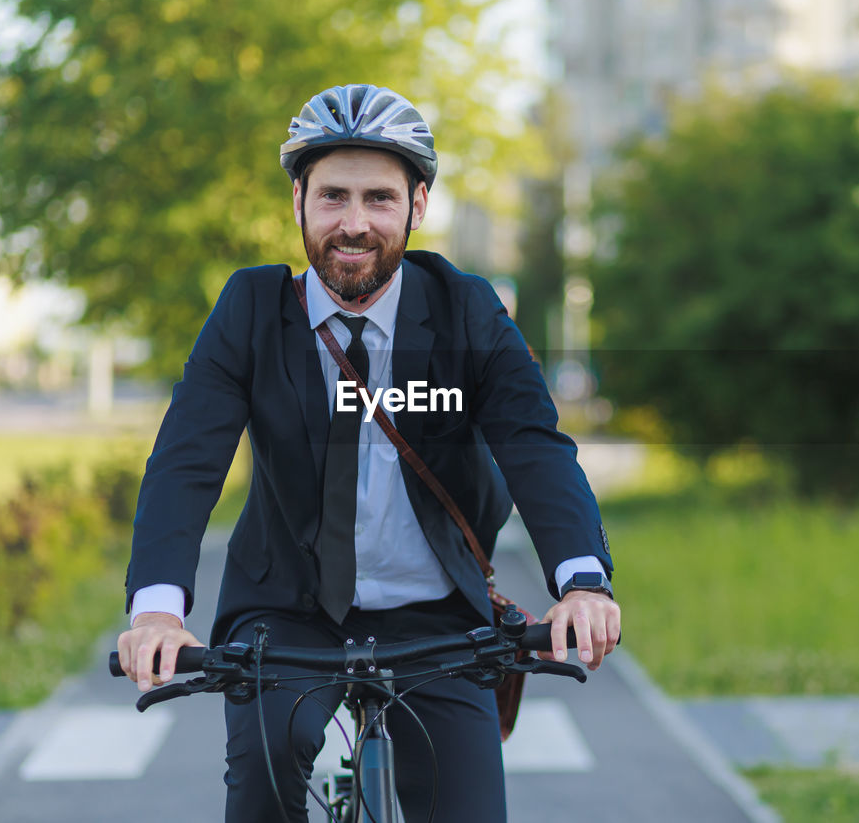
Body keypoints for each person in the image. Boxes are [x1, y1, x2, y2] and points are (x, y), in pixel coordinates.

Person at [116, 84, 621, 821]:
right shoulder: (251, 311)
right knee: (262, 778)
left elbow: (533, 442)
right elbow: (186, 459)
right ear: (299, 202)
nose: (354, 224)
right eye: (334, 197)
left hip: (438, 615)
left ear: (418, 207)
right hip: (285, 609)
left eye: (380, 198)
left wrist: (582, 580)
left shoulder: (465, 308)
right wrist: (157, 610)